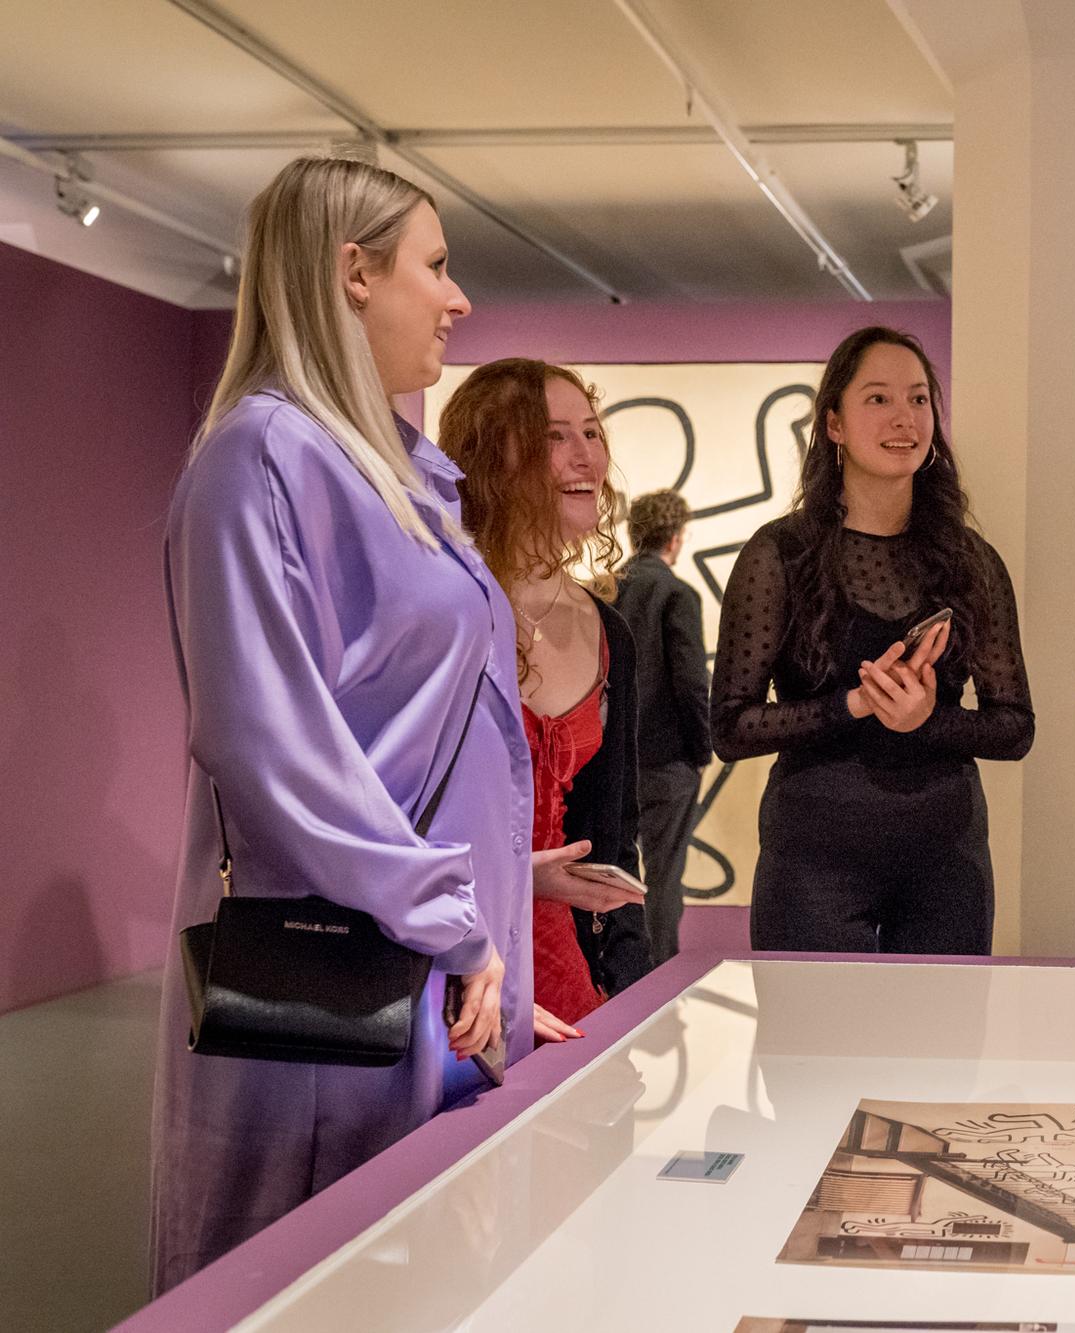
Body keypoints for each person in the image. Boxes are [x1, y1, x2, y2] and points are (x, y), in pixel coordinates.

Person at [150, 157, 531, 1293]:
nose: (458, 300)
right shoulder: (259, 457)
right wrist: (456, 919)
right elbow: (273, 755)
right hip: (333, 983)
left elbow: (412, 717)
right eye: (436, 265)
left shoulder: (396, 470)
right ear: (351, 274)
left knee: (419, 1281)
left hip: (425, 968)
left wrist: (505, 899)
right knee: (315, 1282)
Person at [711, 326, 1033, 954]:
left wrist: (924, 720)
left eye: (918, 400)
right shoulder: (780, 554)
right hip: (814, 861)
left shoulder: (972, 560)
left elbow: (1015, 727)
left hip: (947, 859)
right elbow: (730, 727)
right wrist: (852, 705)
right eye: (878, 399)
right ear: (834, 424)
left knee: (942, 1049)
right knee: (814, 1051)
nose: (904, 419)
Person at [439, 358, 650, 1039]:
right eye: (556, 435)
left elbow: (615, 834)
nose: (587, 454)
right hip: (454, 957)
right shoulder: (446, 607)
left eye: (591, 431)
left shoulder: (608, 630)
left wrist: (634, 988)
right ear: (495, 455)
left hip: (568, 965)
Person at [615, 489, 712, 965]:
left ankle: (618, 973)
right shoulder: (678, 595)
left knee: (612, 873)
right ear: (675, 538)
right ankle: (658, 980)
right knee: (664, 875)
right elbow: (693, 684)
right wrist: (701, 751)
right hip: (668, 759)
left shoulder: (605, 590)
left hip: (612, 762)